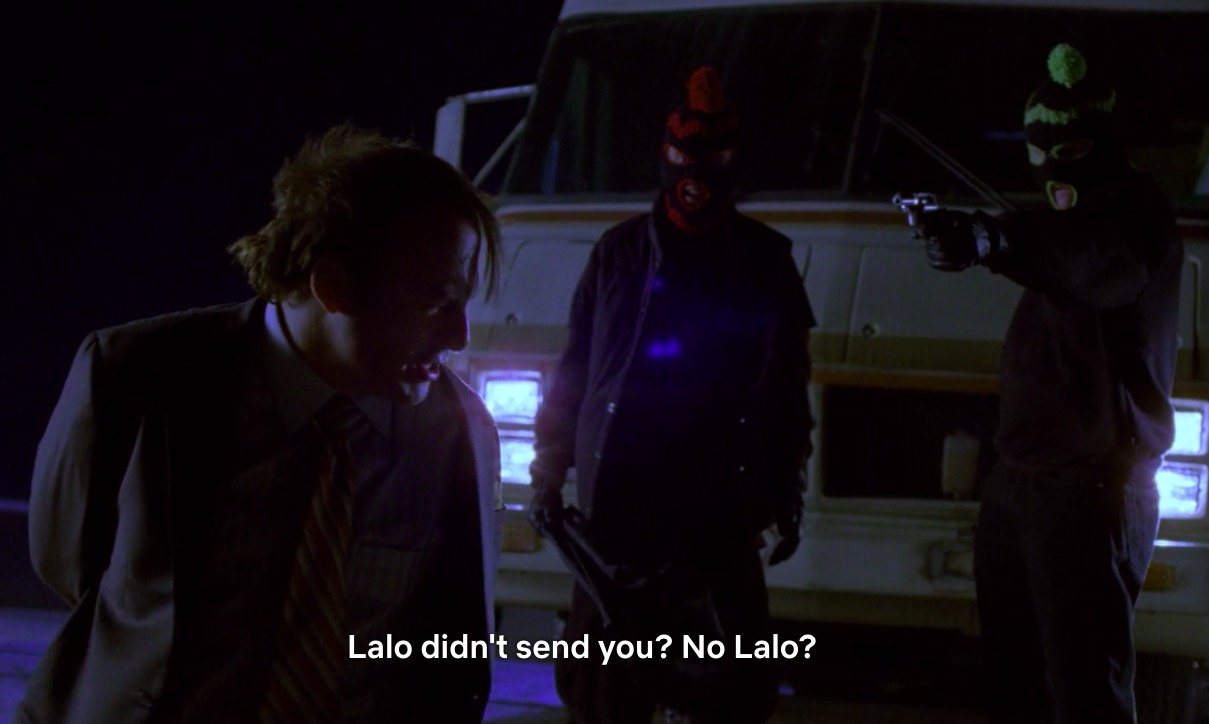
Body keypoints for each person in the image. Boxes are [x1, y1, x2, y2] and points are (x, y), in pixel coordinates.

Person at [18, 124, 504, 723]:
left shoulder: (458, 434)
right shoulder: (136, 377)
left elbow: (451, 643)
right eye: (435, 303)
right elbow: (68, 565)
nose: (459, 336)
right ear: (332, 285)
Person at [528, 66, 815, 723]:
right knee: (604, 695)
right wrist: (548, 469)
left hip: (717, 511)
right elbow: (574, 373)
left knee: (730, 690)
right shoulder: (618, 254)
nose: (695, 177)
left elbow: (785, 393)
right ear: (665, 158)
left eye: (711, 162)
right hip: (617, 515)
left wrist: (785, 492)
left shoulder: (765, 261)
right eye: (684, 160)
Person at [915, 44, 1182, 723]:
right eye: (1040, 153)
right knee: (1015, 686)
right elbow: (1056, 249)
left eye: (1069, 151)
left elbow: (1091, 266)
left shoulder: (1134, 215)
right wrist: (986, 239)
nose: (1052, 169)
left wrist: (995, 241)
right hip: (1020, 481)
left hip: (1090, 490)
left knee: (1085, 694)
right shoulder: (1067, 225)